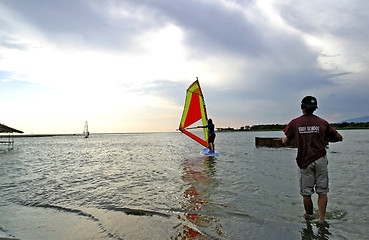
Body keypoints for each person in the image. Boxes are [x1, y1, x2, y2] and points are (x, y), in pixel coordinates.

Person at [280, 96, 343, 224]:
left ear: (302, 107)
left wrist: (282, 140)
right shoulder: (322, 123)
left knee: (306, 193)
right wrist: (324, 139)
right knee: (322, 191)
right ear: (315, 109)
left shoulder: (295, 123)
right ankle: (321, 219)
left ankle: (309, 219)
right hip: (320, 159)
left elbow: (286, 140)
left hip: (304, 161)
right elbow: (339, 137)